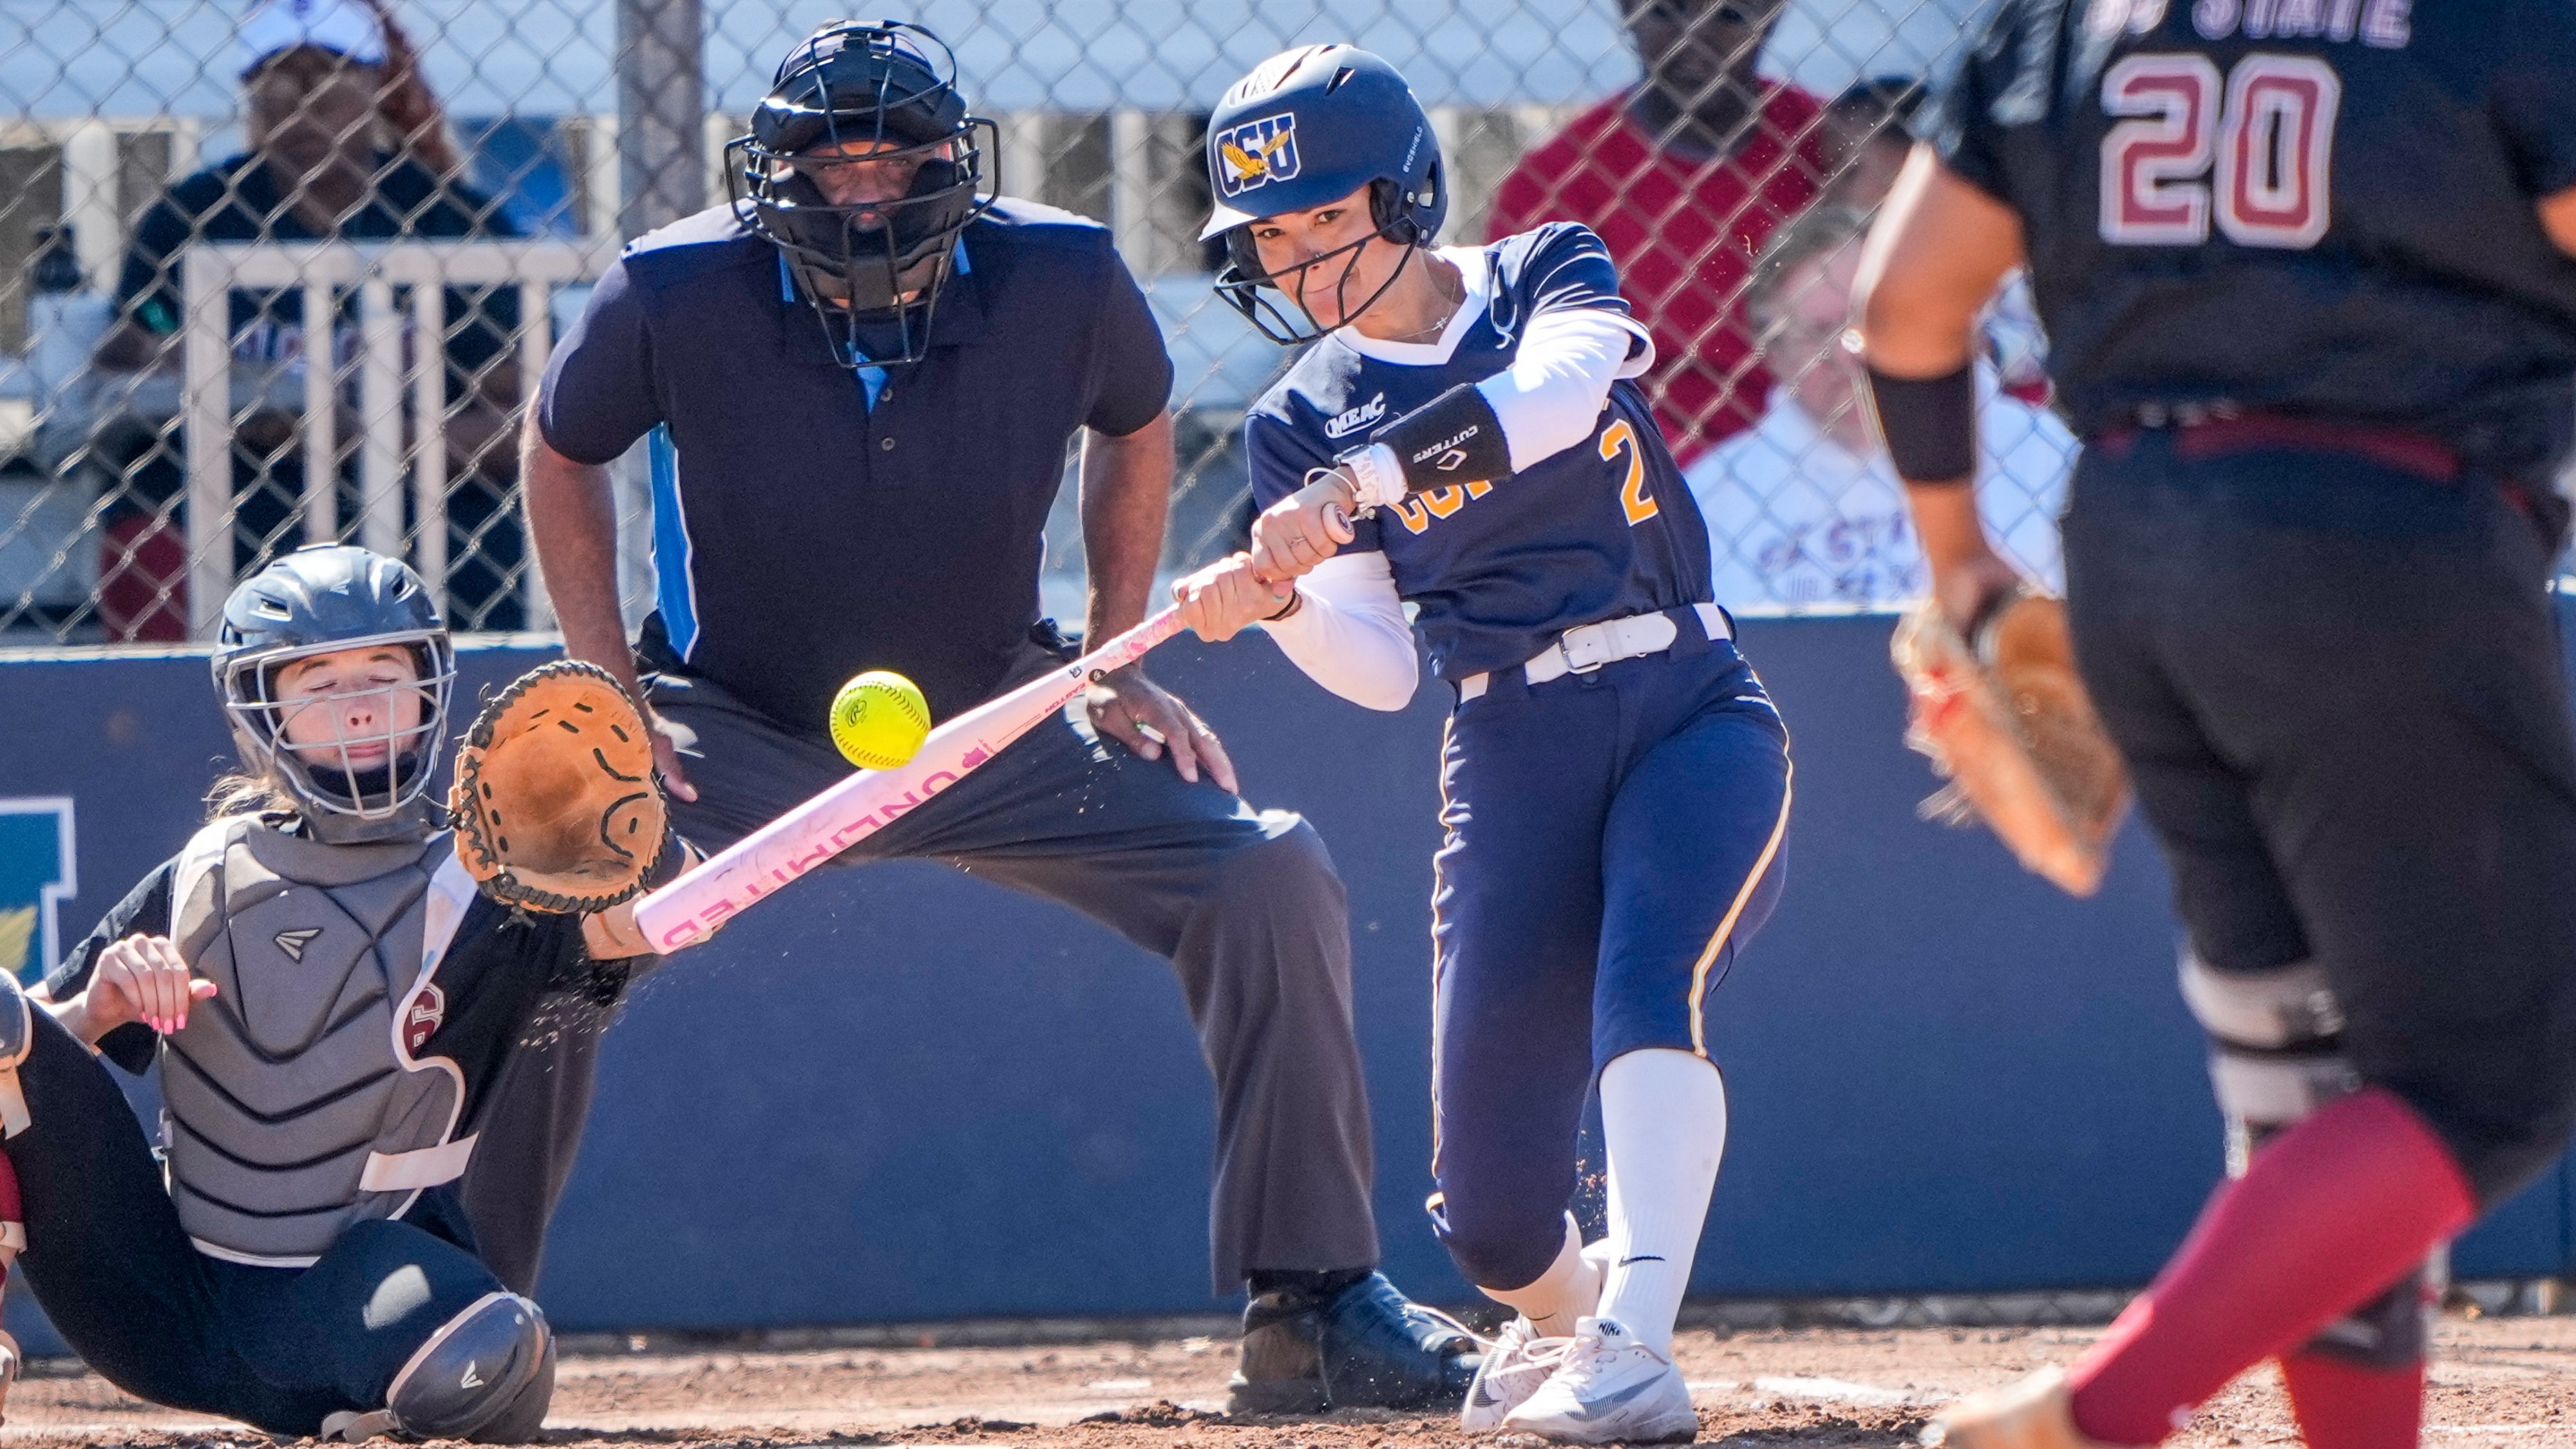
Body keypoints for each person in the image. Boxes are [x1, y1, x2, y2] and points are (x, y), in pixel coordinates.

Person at [515, 21, 1478, 1414]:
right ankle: (458, 1308)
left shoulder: (1061, 272)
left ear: (951, 164)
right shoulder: (672, 285)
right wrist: (607, 691)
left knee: (1266, 868)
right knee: (548, 901)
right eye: (829, 162)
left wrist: (1111, 659)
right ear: (772, 176)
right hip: (732, 726)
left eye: (893, 157)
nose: (864, 188)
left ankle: (1311, 1306)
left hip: (1002, 717)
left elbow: (1135, 418)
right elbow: (560, 449)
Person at [1854, 1, 2576, 1444]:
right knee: (2503, 1075)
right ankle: (2102, 1411)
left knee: (2304, 1086)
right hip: (2386, 536)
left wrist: (1960, 568)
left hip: (2135, 541)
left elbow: (1901, 307)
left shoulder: (2068, 16)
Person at [1177, 44, 1791, 1444]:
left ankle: (1635, 1351)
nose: (1299, 262)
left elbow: (1562, 396)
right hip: (1509, 744)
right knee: (1492, 1221)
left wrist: (1367, 481)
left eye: (1327, 218)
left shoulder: (1538, 273)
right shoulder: (1296, 420)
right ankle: (1570, 1320)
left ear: (1404, 196)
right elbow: (1384, 670)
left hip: (1684, 700)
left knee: (1648, 987)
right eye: (1269, 235)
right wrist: (1277, 606)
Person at [0, 544, 673, 1439]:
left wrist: (638, 882)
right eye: (318, 683)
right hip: (154, 1299)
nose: (359, 705)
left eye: (385, 676)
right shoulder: (206, 869)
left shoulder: (497, 883)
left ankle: (372, 1401)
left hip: (348, 1307)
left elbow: (634, 928)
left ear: (429, 691)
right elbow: (28, 1053)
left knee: (489, 1357)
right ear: (261, 708)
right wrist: (96, 1011)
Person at [90, 0, 528, 641]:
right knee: (150, 511)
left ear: (374, 85)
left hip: (416, 486)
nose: (300, 108)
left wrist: (366, 436)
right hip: (240, 482)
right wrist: (228, 384)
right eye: (276, 84)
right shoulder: (195, 214)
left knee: (480, 527)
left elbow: (518, 418)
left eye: (325, 80)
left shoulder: (449, 216)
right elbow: (123, 354)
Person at [1485, 0, 1828, 466]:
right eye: (1666, 11)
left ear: (1770, 17)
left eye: (1729, 16)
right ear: (1629, 11)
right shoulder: (1554, 183)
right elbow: (1523, 374)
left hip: (1818, 447)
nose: (1693, 40)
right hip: (1634, 464)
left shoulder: (1829, 147)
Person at [1686, 205, 2069, 609]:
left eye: (1866, 318)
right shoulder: (1716, 497)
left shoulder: (2040, 453)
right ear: (1775, 355)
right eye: (1818, 333)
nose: (1847, 352)